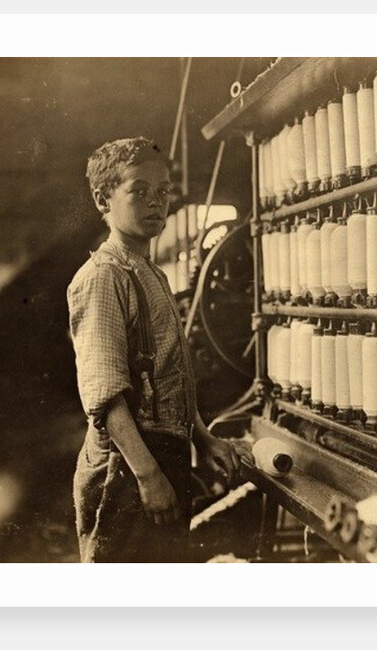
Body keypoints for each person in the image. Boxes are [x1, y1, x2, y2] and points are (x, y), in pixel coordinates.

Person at [66, 136, 242, 562]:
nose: (155, 203)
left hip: (163, 454)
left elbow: (170, 375)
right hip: (124, 466)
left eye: (163, 192)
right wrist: (147, 477)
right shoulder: (103, 277)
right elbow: (105, 396)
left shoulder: (150, 273)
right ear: (102, 199)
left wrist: (203, 438)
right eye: (139, 192)